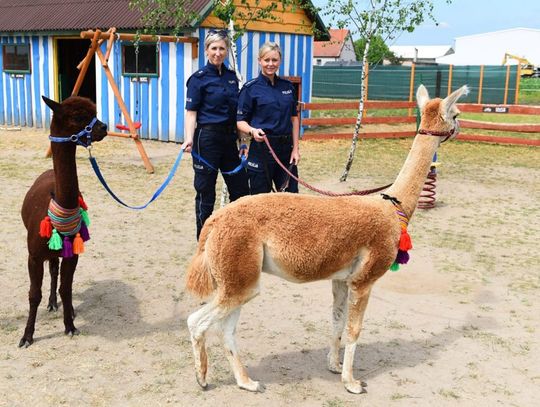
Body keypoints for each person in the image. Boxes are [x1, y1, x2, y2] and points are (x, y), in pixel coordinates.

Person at [181, 30, 249, 239]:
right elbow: (191, 113)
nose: (218, 53)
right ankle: (203, 239)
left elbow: (237, 112)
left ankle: (237, 236)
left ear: (227, 50)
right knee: (205, 193)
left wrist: (243, 141)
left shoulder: (231, 78)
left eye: (222, 48)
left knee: (240, 191)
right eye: (214, 48)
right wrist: (189, 139)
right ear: (206, 50)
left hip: (229, 140)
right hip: (206, 140)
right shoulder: (198, 79)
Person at [237, 42, 300, 194]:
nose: (270, 64)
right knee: (261, 200)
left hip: (286, 149)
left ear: (280, 61)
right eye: (267, 60)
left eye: (274, 60)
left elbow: (294, 119)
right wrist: (252, 131)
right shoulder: (250, 88)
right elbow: (240, 122)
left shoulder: (288, 87)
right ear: (260, 60)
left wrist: (296, 149)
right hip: (261, 149)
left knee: (290, 198)